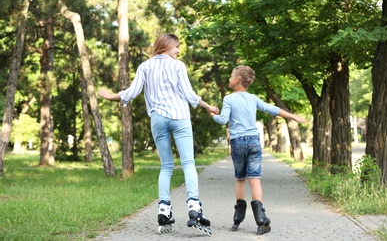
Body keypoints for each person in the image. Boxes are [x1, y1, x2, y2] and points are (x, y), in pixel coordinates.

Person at [98, 33, 218, 236]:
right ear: (167, 45)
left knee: (166, 166)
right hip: (179, 116)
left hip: (158, 119)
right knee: (188, 163)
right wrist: (208, 107)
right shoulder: (177, 66)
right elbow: (189, 94)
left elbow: (132, 91)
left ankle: (164, 210)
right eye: (176, 46)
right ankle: (194, 208)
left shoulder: (145, 66)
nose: (178, 50)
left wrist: (111, 96)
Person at [208, 65, 306, 235]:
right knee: (255, 180)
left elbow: (222, 120)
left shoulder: (229, 99)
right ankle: (261, 220)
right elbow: (272, 109)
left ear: (238, 80)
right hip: (253, 141)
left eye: (231, 76)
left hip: (238, 142)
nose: (229, 79)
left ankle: (238, 217)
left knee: (240, 179)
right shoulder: (253, 98)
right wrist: (292, 116)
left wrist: (211, 113)